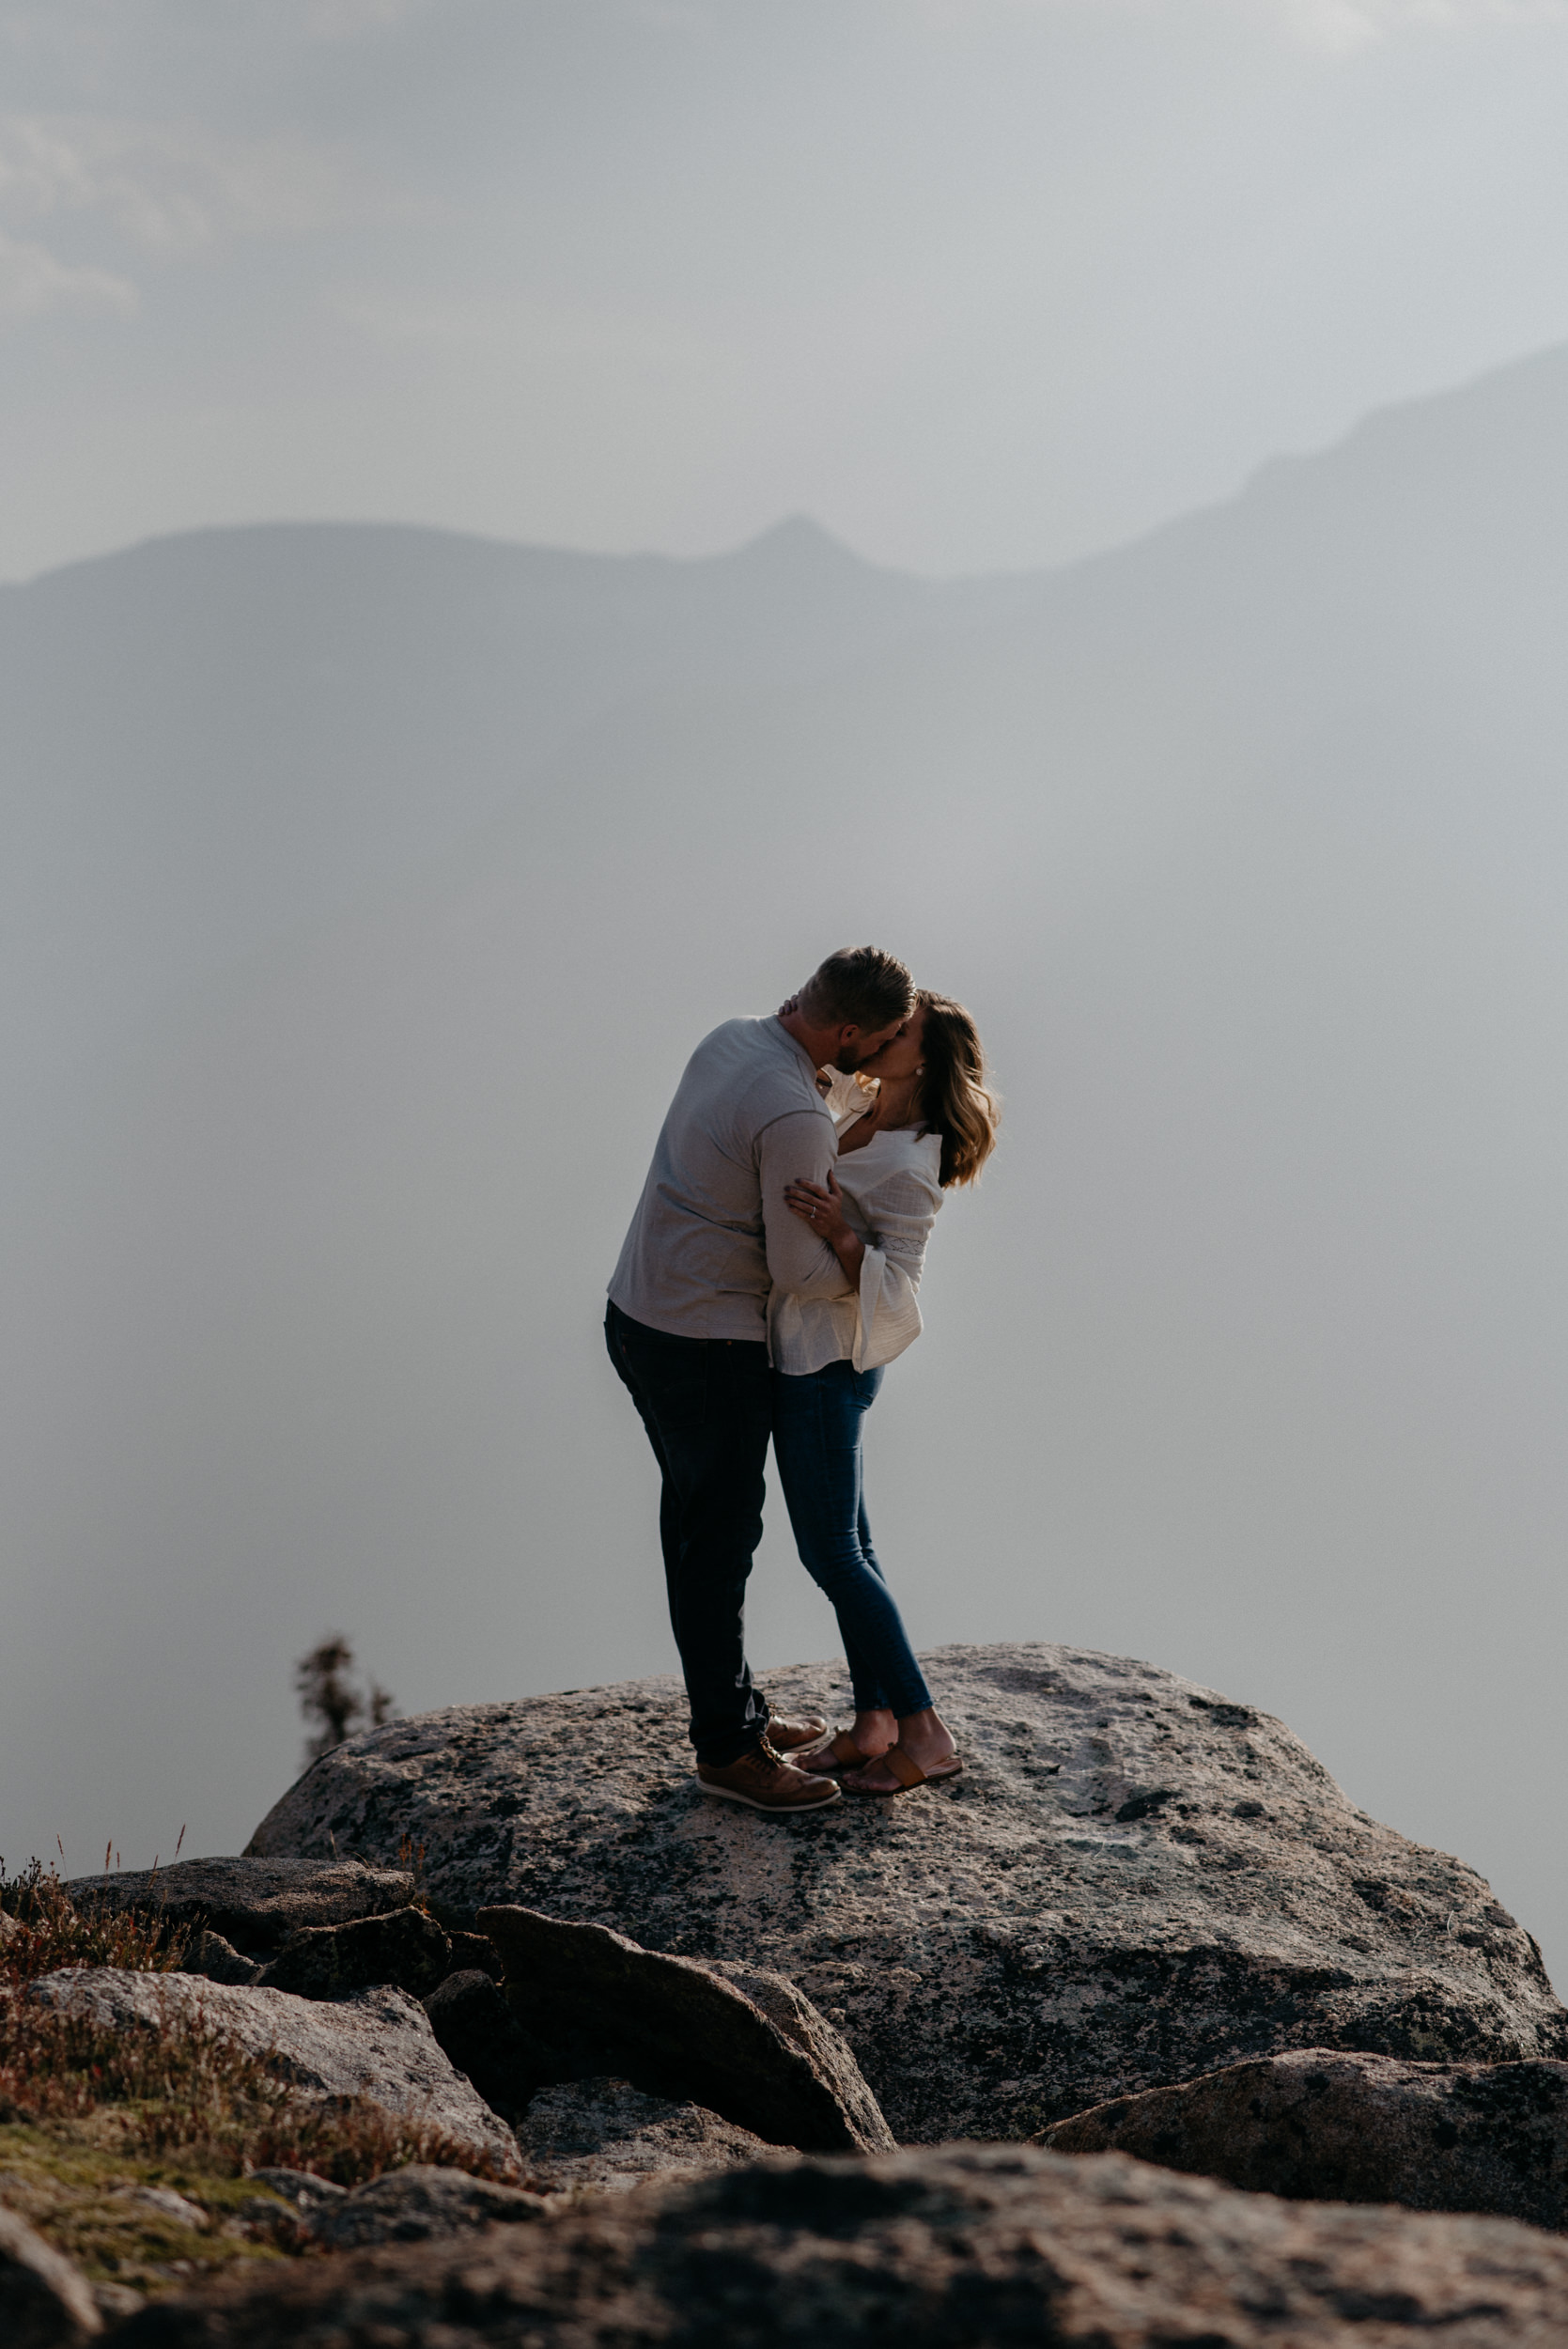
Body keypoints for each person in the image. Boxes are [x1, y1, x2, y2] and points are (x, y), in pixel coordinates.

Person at [605, 946, 916, 1813]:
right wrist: (867, 1260)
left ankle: (732, 1710)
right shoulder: (794, 1115)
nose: (888, 1050)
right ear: (850, 1031)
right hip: (704, 1340)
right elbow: (796, 1271)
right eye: (885, 1037)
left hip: (637, 1312)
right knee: (718, 1542)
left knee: (693, 1522)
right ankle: (728, 1751)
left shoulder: (732, 1037)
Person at [770, 990, 999, 1797]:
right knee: (852, 1550)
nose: (884, 1035)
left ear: (926, 1060)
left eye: (900, 1032)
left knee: (830, 1552)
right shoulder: (852, 1107)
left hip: (830, 1361)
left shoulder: (910, 1161)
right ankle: (872, 1725)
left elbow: (899, 1285)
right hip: (801, 1350)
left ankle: (924, 1729)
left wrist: (838, 1231)